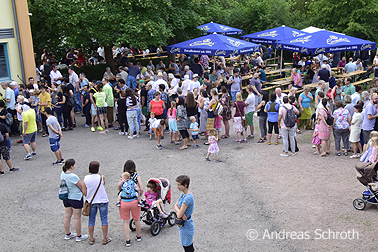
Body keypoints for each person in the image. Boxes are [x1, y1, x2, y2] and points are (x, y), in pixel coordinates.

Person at [82, 161, 111, 245]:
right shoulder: (101, 177)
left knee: (91, 220)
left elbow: (84, 192)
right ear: (98, 168)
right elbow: (103, 185)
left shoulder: (86, 178)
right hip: (102, 200)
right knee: (104, 219)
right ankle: (105, 238)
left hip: (91, 201)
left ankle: (91, 238)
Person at [60, 159, 88, 242]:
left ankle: (67, 234)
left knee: (67, 216)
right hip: (75, 198)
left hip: (66, 197)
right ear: (72, 166)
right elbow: (81, 186)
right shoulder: (73, 176)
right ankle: (79, 235)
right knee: (77, 218)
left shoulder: (63, 174)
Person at [119, 160, 143, 247]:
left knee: (126, 221)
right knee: (136, 219)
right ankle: (138, 236)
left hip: (124, 201)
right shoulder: (136, 175)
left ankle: (128, 240)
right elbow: (141, 187)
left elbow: (119, 188)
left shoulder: (123, 176)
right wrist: (139, 196)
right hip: (134, 201)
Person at [174, 175, 195, 252]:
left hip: (186, 226)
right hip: (184, 225)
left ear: (185, 185)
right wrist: (181, 213)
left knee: (188, 248)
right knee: (187, 246)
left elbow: (178, 214)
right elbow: (175, 206)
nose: (177, 187)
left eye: (179, 185)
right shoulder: (183, 194)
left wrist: (180, 213)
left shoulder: (187, 198)